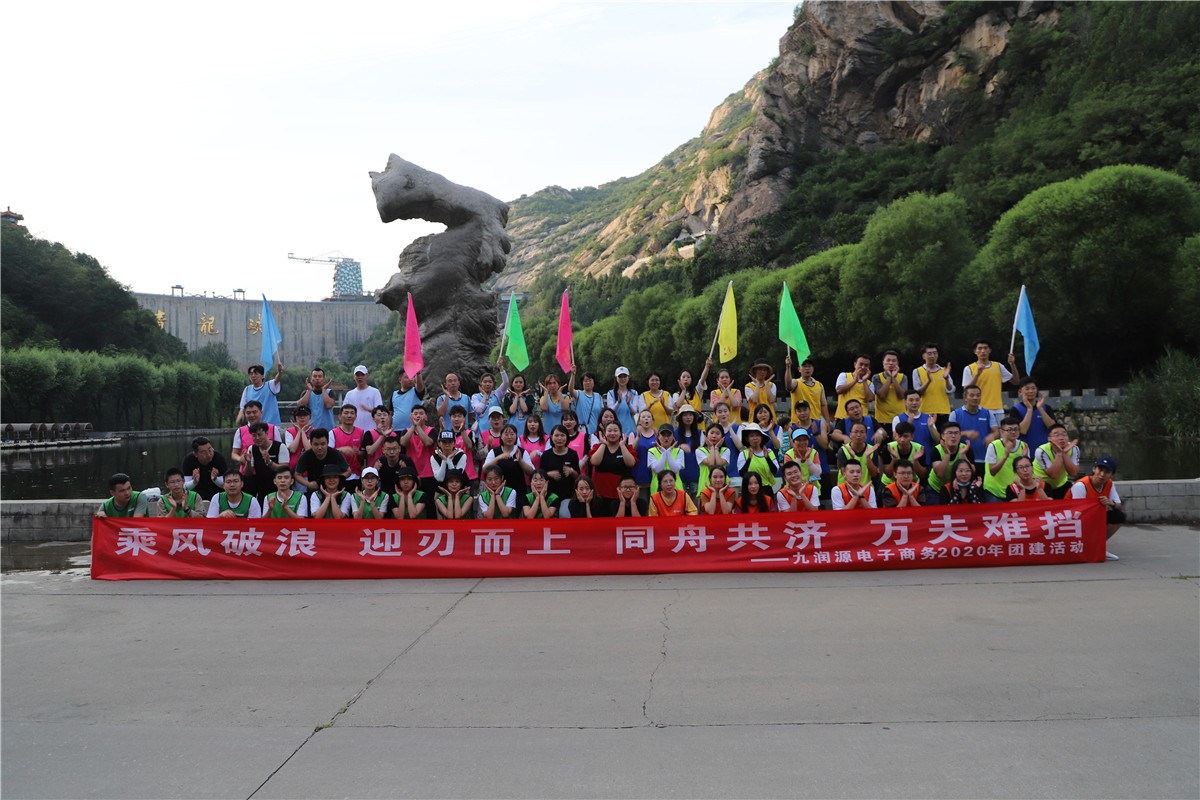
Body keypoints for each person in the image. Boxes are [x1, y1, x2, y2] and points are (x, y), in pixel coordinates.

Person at [1069, 455, 1125, 560]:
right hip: (1074, 519)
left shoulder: (1109, 484)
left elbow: (1118, 506)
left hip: (1092, 516)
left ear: (1112, 475)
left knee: (1119, 516)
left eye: (1107, 472)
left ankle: (1098, 546)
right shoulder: (1081, 486)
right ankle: (1088, 546)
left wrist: (1111, 503)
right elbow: (1076, 512)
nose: (1102, 474)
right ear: (1094, 469)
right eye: (1100, 470)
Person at [962, 339, 1019, 414]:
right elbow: (966, 390)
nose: (983, 351)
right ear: (975, 351)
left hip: (997, 409)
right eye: (980, 348)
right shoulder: (969, 368)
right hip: (979, 409)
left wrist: (1012, 365)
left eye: (985, 348)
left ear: (990, 350)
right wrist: (977, 375)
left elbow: (1016, 381)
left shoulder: (998, 366)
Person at [983, 417, 1031, 502]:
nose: (1013, 432)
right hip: (994, 491)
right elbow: (992, 472)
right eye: (1009, 430)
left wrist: (1024, 457)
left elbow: (1027, 471)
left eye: (1016, 429)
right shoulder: (993, 446)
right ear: (1002, 432)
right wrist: (1005, 456)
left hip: (1014, 491)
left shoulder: (1024, 446)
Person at [949, 385, 999, 465]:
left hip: (984, 459)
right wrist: (965, 433)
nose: (975, 398)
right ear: (965, 397)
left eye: (978, 395)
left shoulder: (988, 413)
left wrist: (993, 435)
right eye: (972, 395)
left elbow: (997, 431)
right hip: (962, 460)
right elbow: (949, 435)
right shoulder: (955, 414)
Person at [400, 405, 437, 508]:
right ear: (411, 416)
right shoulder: (406, 431)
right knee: (412, 503)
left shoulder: (432, 431)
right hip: (412, 474)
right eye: (415, 414)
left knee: (429, 504)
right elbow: (402, 442)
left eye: (421, 413)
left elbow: (428, 443)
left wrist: (418, 427)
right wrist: (413, 426)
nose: (418, 416)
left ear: (426, 417)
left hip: (429, 473)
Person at [240, 421, 287, 502]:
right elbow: (248, 473)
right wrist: (248, 462)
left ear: (266, 433)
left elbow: (284, 469)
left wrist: (269, 462)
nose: (257, 438)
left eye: (260, 435)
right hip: (261, 489)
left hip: (279, 488)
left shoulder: (280, 447)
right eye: (254, 435)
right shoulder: (252, 449)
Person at [892, 390, 940, 467]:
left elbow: (937, 440)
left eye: (917, 400)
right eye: (911, 400)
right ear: (905, 401)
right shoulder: (898, 419)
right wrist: (908, 424)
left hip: (926, 460)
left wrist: (931, 427)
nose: (914, 403)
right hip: (906, 462)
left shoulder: (928, 418)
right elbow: (895, 439)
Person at [590, 421, 636, 501]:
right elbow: (594, 462)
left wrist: (622, 446)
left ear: (620, 433)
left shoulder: (627, 448)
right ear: (605, 433)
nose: (612, 433)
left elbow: (631, 463)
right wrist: (603, 444)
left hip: (620, 493)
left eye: (615, 430)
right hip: (600, 492)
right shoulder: (597, 447)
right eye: (609, 431)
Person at [483, 423, 533, 495]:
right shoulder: (494, 452)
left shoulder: (522, 452)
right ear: (501, 436)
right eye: (506, 434)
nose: (509, 437)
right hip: (499, 491)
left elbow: (531, 472)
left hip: (519, 491)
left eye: (512, 434)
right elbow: (485, 469)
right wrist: (498, 458)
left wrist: (520, 461)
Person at [1033, 424, 1081, 499]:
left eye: (1064, 435)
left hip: (1061, 484)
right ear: (1049, 439)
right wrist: (1059, 453)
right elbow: (1053, 475)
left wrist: (1064, 453)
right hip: (1041, 484)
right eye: (1057, 435)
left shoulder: (1074, 449)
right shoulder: (1041, 451)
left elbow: (1073, 473)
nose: (1061, 438)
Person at [928, 422, 973, 501]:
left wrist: (963, 455)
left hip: (959, 488)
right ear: (942, 436)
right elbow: (940, 474)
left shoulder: (965, 449)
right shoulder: (936, 450)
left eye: (956, 433)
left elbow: (972, 471)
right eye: (950, 433)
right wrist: (947, 454)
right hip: (936, 489)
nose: (953, 436)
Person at [294, 428, 349, 492]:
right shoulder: (306, 456)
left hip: (334, 491)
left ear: (328, 443)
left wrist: (336, 480)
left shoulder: (336, 454)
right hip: (314, 490)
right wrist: (308, 484)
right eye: (316, 444)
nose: (319, 447)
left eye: (322, 444)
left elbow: (348, 471)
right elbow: (297, 474)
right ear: (311, 444)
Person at [1010, 377, 1057, 451]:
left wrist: (1040, 409)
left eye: (1033, 388)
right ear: (1020, 392)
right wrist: (1029, 409)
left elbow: (1053, 427)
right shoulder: (1016, 409)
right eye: (1027, 389)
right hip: (1025, 451)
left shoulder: (1046, 408)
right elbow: (1022, 430)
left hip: (1045, 450)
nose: (1031, 391)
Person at [231, 400, 284, 466]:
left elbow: (280, 449)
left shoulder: (272, 428)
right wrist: (240, 459)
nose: (252, 415)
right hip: (247, 468)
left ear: (261, 413)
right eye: (248, 413)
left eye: (254, 412)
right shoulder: (240, 431)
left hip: (270, 468)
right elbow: (234, 453)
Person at [912, 343, 955, 420]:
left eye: (935, 353)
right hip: (925, 412)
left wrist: (946, 379)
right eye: (929, 354)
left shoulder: (944, 371)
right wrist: (929, 381)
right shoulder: (917, 371)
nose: (932, 356)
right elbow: (918, 393)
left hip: (943, 411)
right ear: (923, 356)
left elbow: (951, 390)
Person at [785, 354, 831, 424]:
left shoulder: (819, 385)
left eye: (809, 366)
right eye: (804, 366)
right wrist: (788, 367)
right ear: (799, 369)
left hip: (815, 423)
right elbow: (788, 385)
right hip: (799, 423)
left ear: (813, 369)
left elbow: (823, 405)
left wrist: (827, 422)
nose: (807, 368)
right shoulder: (796, 382)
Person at [541, 424, 581, 502]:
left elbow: (577, 476)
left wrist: (571, 471)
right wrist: (549, 474)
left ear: (567, 437)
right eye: (556, 435)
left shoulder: (572, 454)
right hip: (550, 495)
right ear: (551, 437)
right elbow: (540, 475)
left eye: (562, 435)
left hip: (568, 495)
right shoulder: (546, 455)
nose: (559, 438)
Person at [880, 421, 927, 488]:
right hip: (889, 484)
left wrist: (915, 461)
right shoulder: (888, 448)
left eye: (905, 436)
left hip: (912, 484)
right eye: (900, 436)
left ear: (912, 437)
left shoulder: (919, 449)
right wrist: (894, 459)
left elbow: (922, 475)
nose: (902, 440)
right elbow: (889, 474)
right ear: (895, 436)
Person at [331, 403, 366, 488]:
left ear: (356, 416)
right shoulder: (333, 433)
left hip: (356, 475)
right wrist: (341, 450)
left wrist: (359, 453)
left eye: (352, 413)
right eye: (346, 413)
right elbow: (327, 453)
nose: (349, 416)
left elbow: (364, 455)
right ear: (340, 416)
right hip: (339, 475)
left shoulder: (361, 432)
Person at [835, 421, 881, 487]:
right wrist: (852, 458)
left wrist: (868, 458)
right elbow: (844, 474)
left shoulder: (872, 450)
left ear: (866, 435)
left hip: (865, 487)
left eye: (862, 432)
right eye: (856, 432)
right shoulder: (843, 450)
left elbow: (874, 474)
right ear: (850, 434)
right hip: (846, 488)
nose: (859, 435)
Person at [871, 350, 907, 431]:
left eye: (894, 361)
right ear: (883, 363)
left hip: (900, 418)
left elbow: (902, 396)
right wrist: (889, 377)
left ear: (897, 363)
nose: (891, 363)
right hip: (882, 419)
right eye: (888, 360)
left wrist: (893, 378)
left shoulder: (903, 377)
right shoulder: (876, 377)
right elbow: (882, 396)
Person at [736, 424, 780, 490]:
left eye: (757, 435)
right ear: (747, 439)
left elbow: (775, 471)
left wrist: (767, 458)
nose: (755, 438)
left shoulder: (769, 452)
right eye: (752, 436)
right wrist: (749, 459)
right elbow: (742, 473)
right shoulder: (743, 454)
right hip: (751, 489)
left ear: (761, 437)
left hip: (766, 488)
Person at [834, 354, 875, 424]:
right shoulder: (844, 376)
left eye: (866, 365)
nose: (863, 367)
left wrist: (864, 381)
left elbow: (870, 399)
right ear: (855, 364)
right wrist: (855, 381)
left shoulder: (869, 384)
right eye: (861, 364)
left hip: (861, 419)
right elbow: (839, 390)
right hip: (843, 418)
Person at [470, 364, 508, 436]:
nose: (487, 384)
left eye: (490, 382)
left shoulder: (497, 394)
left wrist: (501, 368)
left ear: (493, 383)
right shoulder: (475, 396)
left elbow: (506, 383)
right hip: (480, 432)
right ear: (481, 383)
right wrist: (485, 395)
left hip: (496, 431)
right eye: (485, 382)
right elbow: (479, 410)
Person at [780, 429, 822, 496]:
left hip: (812, 490)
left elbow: (817, 473)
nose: (802, 442)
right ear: (793, 442)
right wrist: (798, 458)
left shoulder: (814, 453)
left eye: (804, 439)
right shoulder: (788, 455)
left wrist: (808, 459)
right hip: (794, 491)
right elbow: (791, 474)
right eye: (799, 440)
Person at [674, 405, 703, 495]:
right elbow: (670, 451)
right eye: (685, 415)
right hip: (680, 474)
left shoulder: (699, 433)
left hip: (695, 472)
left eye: (690, 415)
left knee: (694, 500)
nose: (688, 417)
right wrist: (679, 447)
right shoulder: (675, 433)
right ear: (681, 418)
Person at [629, 409, 659, 501]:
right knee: (642, 503)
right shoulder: (633, 435)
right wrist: (638, 437)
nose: (646, 419)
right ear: (639, 421)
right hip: (639, 475)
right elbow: (631, 451)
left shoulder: (657, 435)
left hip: (654, 475)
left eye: (648, 417)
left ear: (652, 420)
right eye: (643, 417)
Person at [344, 365, 384, 432]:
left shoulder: (375, 392)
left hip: (371, 430)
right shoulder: (349, 394)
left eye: (362, 375)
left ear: (367, 376)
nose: (360, 377)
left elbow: (380, 411)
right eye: (357, 375)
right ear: (354, 377)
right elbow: (344, 412)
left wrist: (368, 409)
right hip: (354, 431)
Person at [648, 424, 685, 495]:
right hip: (657, 489)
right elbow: (658, 470)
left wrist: (668, 451)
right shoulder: (651, 451)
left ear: (673, 437)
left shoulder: (679, 451)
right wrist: (664, 452)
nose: (666, 438)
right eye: (663, 435)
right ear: (658, 437)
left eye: (669, 435)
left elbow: (675, 469)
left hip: (676, 489)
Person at [298, 367, 338, 432]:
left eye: (320, 376)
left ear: (323, 379)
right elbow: (300, 406)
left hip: (328, 431)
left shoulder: (330, 392)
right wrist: (309, 391)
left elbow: (328, 405)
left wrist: (324, 390)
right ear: (311, 379)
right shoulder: (306, 393)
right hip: (311, 431)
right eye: (315, 376)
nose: (317, 378)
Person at [696, 423, 731, 494]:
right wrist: (712, 447)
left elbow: (719, 464)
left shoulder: (726, 450)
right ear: (706, 436)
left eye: (718, 434)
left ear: (722, 437)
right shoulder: (700, 450)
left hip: (723, 487)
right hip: (705, 487)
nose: (714, 436)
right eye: (711, 433)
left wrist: (716, 448)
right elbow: (711, 463)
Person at [572, 371, 605, 436]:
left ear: (594, 382)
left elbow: (601, 415)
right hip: (581, 432)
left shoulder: (598, 396)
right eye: (585, 381)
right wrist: (573, 375)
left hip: (596, 432)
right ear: (582, 383)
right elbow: (570, 390)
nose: (588, 382)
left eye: (590, 380)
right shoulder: (578, 394)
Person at [285, 405, 313, 469]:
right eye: (299, 415)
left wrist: (302, 432)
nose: (302, 417)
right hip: (293, 467)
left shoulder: (314, 431)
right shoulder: (289, 431)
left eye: (305, 415)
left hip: (309, 466)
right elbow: (292, 449)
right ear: (295, 417)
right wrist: (299, 432)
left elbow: (308, 449)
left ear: (310, 416)